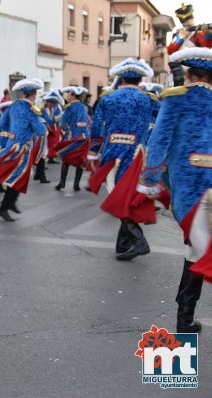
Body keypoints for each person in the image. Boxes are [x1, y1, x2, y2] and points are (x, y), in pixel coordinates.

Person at [139, 48, 212, 333]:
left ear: (188, 73)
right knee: (198, 250)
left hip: (188, 189)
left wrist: (149, 179)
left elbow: (159, 141)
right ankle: (185, 316)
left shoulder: (176, 99)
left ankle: (185, 316)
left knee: (197, 248)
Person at [88, 58, 156, 261]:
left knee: (118, 196)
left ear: (121, 78)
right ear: (140, 79)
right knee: (126, 196)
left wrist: (93, 152)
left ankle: (138, 240)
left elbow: (97, 127)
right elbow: (160, 124)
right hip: (138, 155)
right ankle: (123, 243)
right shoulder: (149, 99)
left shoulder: (108, 99)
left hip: (113, 153)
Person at [0, 79, 46, 222]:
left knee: (20, 176)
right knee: (17, 177)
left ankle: (11, 203)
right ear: (34, 94)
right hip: (23, 148)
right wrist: (41, 121)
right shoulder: (31, 110)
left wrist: (9, 136)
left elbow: (2, 123)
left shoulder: (13, 106)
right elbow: (40, 130)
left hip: (11, 145)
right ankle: (3, 207)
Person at [54, 86, 90, 192]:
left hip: (72, 136)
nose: (68, 96)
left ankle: (62, 183)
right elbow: (87, 122)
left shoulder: (69, 107)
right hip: (83, 137)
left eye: (69, 94)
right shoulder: (84, 107)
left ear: (73, 96)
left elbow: (64, 123)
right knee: (79, 160)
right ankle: (76, 184)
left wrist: (65, 128)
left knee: (65, 158)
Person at [167, 3, 212, 86]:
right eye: (184, 21)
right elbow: (170, 50)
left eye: (188, 20)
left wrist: (208, 35)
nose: (187, 23)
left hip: (194, 71)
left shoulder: (198, 34)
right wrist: (180, 37)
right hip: (180, 69)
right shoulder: (179, 34)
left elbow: (206, 48)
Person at [41, 90, 63, 165]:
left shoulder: (51, 108)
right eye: (51, 102)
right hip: (41, 129)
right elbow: (50, 121)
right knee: (42, 147)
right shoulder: (42, 109)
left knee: (46, 146)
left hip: (46, 128)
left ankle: (41, 166)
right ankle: (40, 166)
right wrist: (60, 117)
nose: (53, 104)